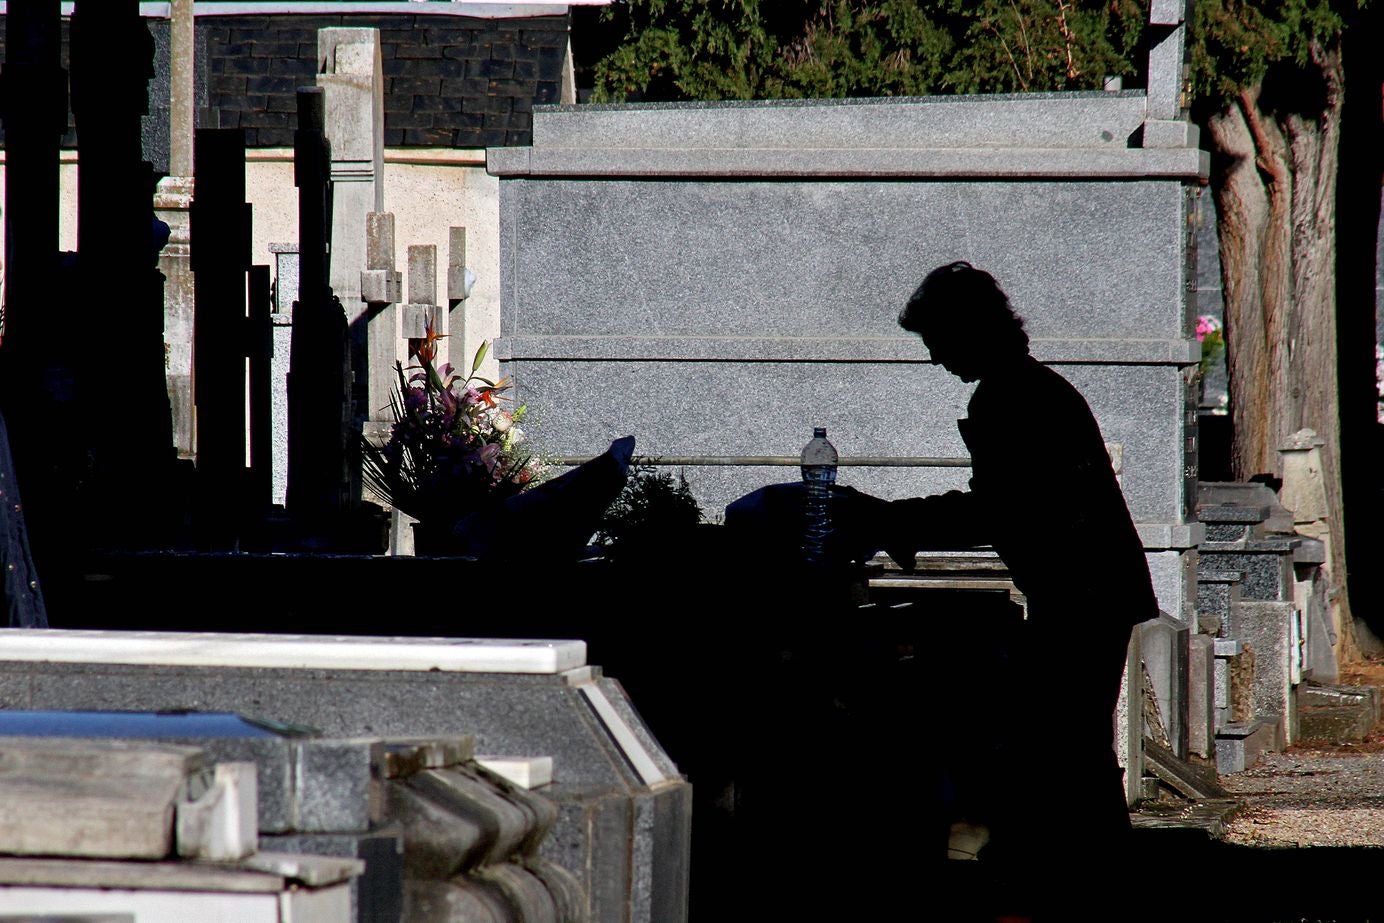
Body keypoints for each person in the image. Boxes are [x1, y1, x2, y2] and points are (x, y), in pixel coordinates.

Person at [889, 262, 1159, 905]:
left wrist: (896, 519)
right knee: (1071, 743)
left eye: (937, 342)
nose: (934, 360)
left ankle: (1086, 883)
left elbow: (997, 507)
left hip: (1080, 594)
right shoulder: (1034, 389)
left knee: (1063, 742)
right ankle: (1092, 878)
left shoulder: (1010, 398)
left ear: (968, 331)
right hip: (1090, 590)